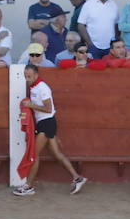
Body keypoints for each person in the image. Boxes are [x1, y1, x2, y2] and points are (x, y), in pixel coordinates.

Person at [12, 65, 88, 196]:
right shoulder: (35, 87)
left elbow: (48, 109)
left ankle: (29, 186)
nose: (27, 79)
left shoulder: (43, 87)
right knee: (57, 154)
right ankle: (77, 178)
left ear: (36, 75)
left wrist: (31, 105)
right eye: (25, 76)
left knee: (34, 155)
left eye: (29, 76)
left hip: (46, 123)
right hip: (46, 123)